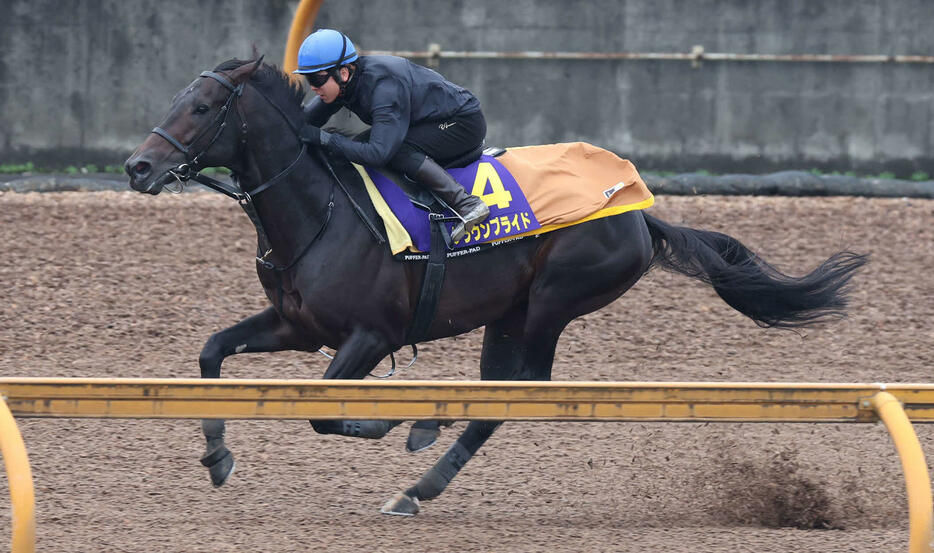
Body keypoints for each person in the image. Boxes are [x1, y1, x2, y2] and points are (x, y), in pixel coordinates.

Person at [294, 29, 490, 242]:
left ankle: (467, 203)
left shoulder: (384, 86)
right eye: (308, 79)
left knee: (393, 150)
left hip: (462, 123)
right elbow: (304, 121)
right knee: (356, 145)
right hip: (428, 121)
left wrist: (324, 139)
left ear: (342, 73)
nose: (313, 87)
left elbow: (379, 153)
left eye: (317, 79)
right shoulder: (344, 84)